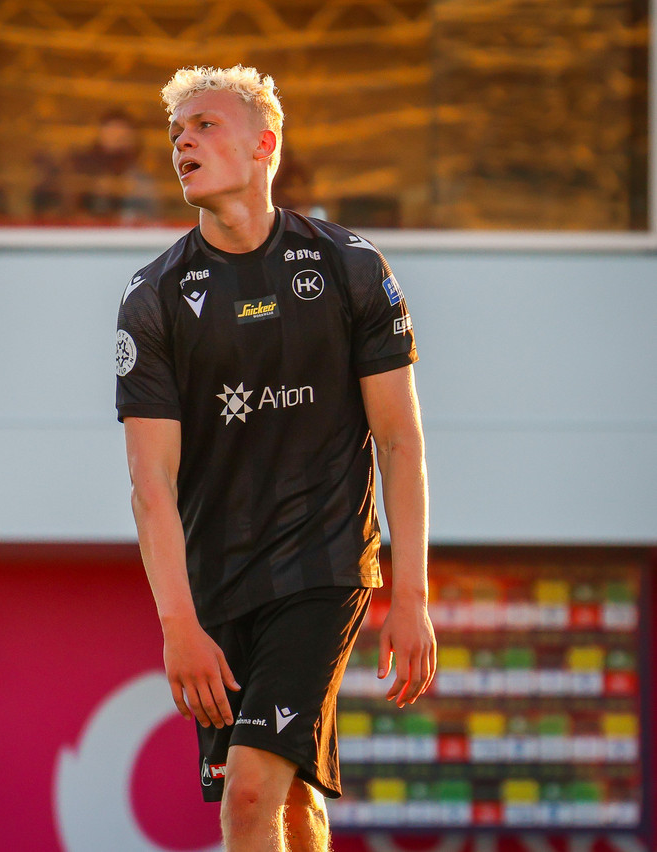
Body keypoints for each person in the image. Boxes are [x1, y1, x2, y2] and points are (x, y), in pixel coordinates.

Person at [115, 65, 436, 852]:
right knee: (285, 801)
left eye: (205, 125)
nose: (182, 142)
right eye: (176, 132)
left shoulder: (350, 267)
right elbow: (151, 484)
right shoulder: (153, 297)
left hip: (323, 568)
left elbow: (399, 440)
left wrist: (411, 595)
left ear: (265, 146)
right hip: (218, 585)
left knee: (250, 792)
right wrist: (178, 625)